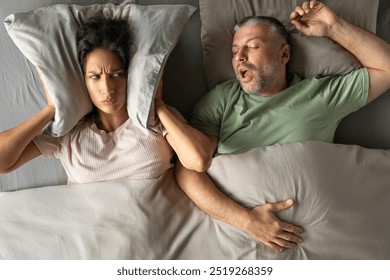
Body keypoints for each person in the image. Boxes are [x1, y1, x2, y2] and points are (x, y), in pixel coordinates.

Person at [175, 1, 390, 252]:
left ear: (284, 54)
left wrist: (335, 27)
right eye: (234, 51)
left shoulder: (318, 95)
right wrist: (248, 222)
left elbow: (386, 68)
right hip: (240, 237)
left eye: (252, 46)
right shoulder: (222, 99)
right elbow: (188, 170)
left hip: (320, 237)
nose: (239, 57)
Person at [0, 16, 211, 184]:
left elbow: (200, 160)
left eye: (116, 74)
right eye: (95, 77)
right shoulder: (67, 133)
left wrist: (159, 105)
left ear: (130, 76)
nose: (107, 89)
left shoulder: (153, 121)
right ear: (83, 81)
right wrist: (51, 109)